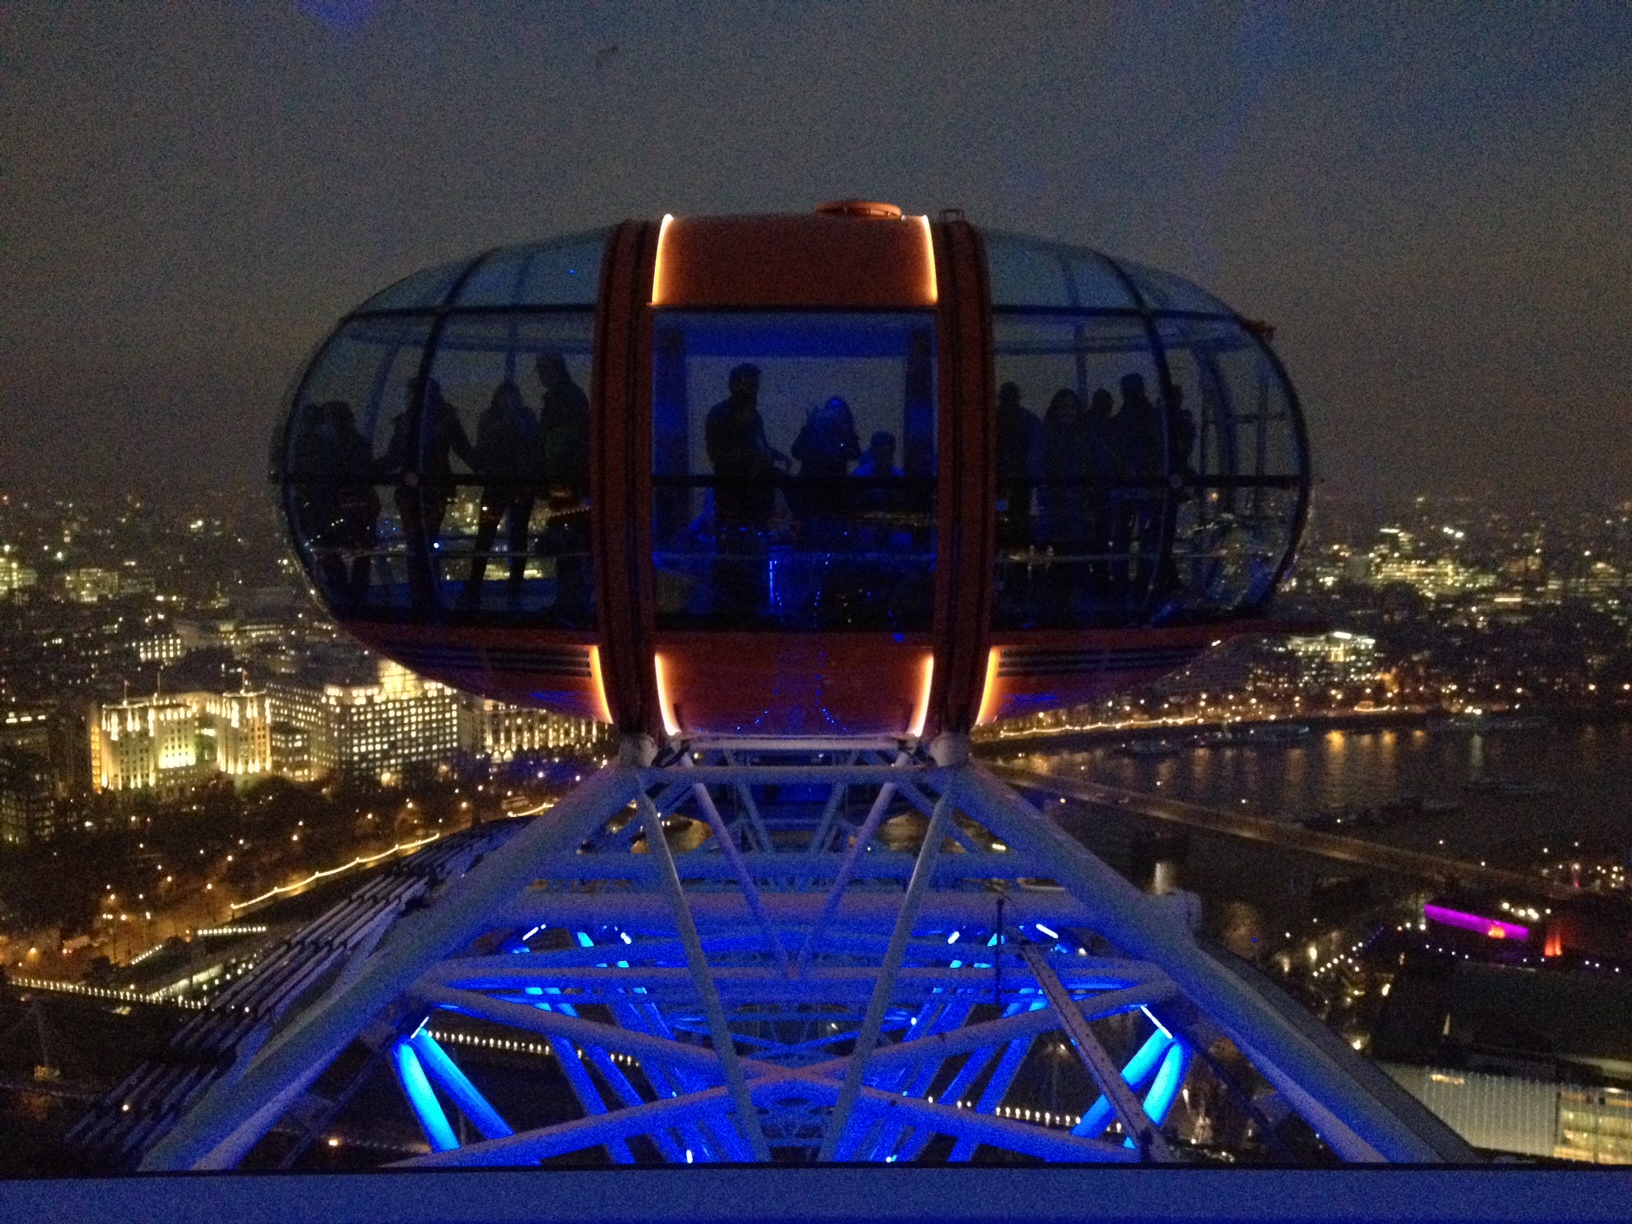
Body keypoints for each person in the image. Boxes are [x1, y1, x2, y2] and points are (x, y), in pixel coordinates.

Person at [377, 377, 475, 603]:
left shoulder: (406, 423)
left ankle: (420, 593)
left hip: (414, 492)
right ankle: (429, 590)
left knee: (416, 543)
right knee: (426, 541)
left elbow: (393, 458)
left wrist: (367, 469)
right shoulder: (445, 420)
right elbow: (465, 451)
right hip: (433, 490)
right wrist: (484, 468)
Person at [704, 364, 787, 615]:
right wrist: (753, 456)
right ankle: (729, 610)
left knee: (756, 554)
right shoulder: (719, 415)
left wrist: (774, 455)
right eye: (748, 383)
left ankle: (754, 605)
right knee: (732, 555)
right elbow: (717, 454)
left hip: (756, 497)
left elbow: (759, 446)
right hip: (733, 495)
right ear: (734, 385)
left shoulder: (754, 416)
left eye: (755, 384)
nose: (753, 389)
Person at [461, 381, 538, 604]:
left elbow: (483, 450)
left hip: (502, 486)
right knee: (503, 537)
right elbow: (532, 445)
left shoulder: (492, 418)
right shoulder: (524, 417)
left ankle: (477, 587)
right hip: (514, 486)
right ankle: (508, 587)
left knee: (492, 536)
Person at [535, 350, 591, 615]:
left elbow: (558, 442)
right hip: (571, 479)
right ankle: (573, 598)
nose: (539, 375)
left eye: (541, 370)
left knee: (566, 536)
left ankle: (568, 600)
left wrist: (548, 468)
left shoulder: (561, 398)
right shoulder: (573, 395)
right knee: (570, 535)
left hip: (564, 479)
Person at [1035, 389, 1092, 620]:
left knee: (1074, 548)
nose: (1067, 412)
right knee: (1062, 547)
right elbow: (1037, 465)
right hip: (1056, 503)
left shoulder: (1085, 436)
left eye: (1071, 407)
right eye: (1062, 407)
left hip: (1077, 503)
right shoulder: (1048, 436)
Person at [1109, 371, 1165, 602]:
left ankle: (1123, 583)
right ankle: (1143, 583)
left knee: (1122, 538)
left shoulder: (1121, 420)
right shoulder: (1153, 418)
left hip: (1128, 487)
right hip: (1146, 487)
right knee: (1147, 538)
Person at [790, 395, 861, 538]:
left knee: (835, 536)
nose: (834, 414)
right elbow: (796, 451)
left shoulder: (844, 433)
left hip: (836, 494)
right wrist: (810, 424)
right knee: (809, 535)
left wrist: (846, 429)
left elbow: (855, 453)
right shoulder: (813, 430)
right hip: (810, 492)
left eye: (839, 411)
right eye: (831, 410)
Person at [995, 381, 1040, 550]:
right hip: (1018, 476)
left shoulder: (992, 419)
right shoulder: (1028, 419)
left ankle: (1007, 550)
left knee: (1008, 516)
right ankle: (1017, 551)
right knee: (1018, 517)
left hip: (1008, 476)